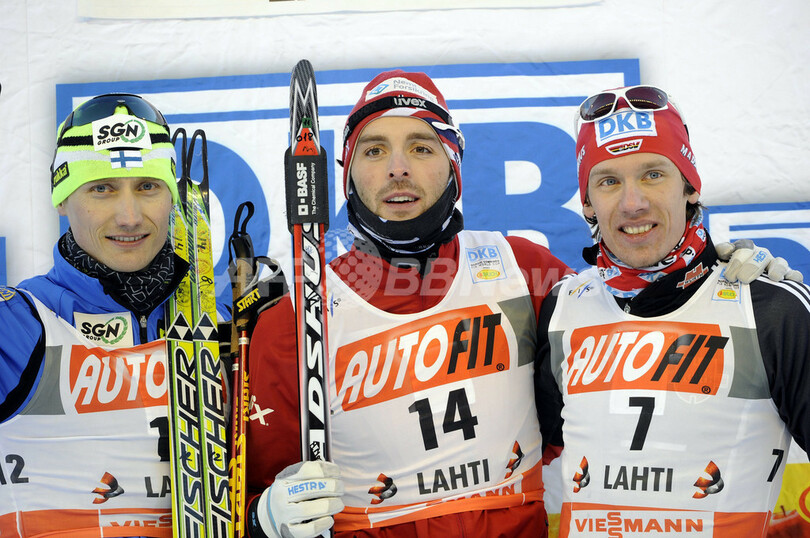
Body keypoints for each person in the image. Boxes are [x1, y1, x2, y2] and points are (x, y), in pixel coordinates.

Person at [242, 72, 792, 538]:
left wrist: (715, 271)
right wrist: (265, 518)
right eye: (375, 149)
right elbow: (237, 497)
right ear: (347, 172)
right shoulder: (295, 322)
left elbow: (637, 311)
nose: (398, 167)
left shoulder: (523, 270)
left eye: (421, 146)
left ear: (453, 163)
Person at [535, 85, 810, 536]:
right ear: (587, 202)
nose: (632, 202)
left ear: (689, 184)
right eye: (608, 181)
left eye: (653, 174)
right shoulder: (562, 309)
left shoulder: (771, 308)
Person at [0, 93, 224, 536]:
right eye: (101, 188)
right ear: (62, 200)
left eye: (148, 186)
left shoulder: (219, 321)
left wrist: (262, 519)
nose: (129, 216)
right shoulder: (18, 325)